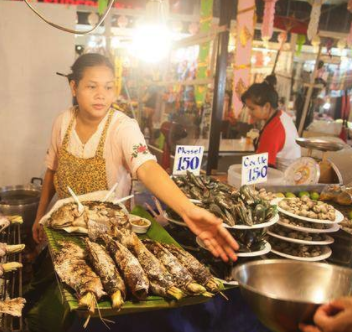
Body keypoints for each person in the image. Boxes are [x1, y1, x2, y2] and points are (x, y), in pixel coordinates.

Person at [27, 53, 238, 332]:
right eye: (92, 86)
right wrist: (41, 215)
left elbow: (147, 167)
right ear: (73, 87)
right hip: (62, 231)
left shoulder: (123, 127)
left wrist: (188, 210)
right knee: (51, 302)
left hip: (108, 237)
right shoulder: (62, 122)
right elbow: (52, 171)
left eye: (109, 86)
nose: (102, 95)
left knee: (104, 309)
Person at [241, 81, 301, 170]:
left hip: (282, 180)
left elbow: (259, 171)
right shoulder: (281, 116)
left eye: (252, 108)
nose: (249, 113)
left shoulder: (273, 130)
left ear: (266, 107)